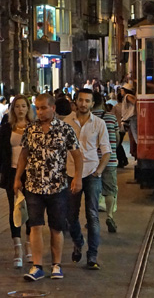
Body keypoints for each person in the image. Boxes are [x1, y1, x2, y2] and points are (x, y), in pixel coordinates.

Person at [14, 93, 82, 281]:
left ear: (52, 108)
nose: (40, 111)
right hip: (33, 186)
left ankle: (56, 265)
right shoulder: (31, 129)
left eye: (43, 107)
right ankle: (37, 266)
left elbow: (77, 155)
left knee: (56, 227)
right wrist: (17, 178)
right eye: (37, 107)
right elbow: (24, 155)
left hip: (57, 186)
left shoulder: (65, 129)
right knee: (35, 226)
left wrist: (77, 177)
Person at [63, 89, 111, 269]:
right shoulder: (66, 122)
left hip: (91, 173)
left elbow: (106, 151)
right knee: (71, 215)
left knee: (92, 215)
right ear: (75, 102)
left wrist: (98, 171)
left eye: (87, 101)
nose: (83, 104)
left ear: (92, 104)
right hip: (70, 173)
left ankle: (92, 255)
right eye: (81, 100)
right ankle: (78, 242)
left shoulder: (99, 123)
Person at [0, 95, 33, 268]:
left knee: (30, 209)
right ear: (12, 109)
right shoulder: (6, 128)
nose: (20, 109)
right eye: (17, 106)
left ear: (28, 108)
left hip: (31, 174)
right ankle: (17, 248)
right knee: (14, 210)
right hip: (11, 173)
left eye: (23, 106)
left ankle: (29, 245)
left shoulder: (34, 128)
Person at [91, 91, 120, 233]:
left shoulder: (88, 119)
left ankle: (93, 217)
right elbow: (117, 137)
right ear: (102, 102)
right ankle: (109, 216)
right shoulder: (111, 118)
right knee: (110, 190)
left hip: (92, 161)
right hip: (109, 159)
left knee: (93, 191)